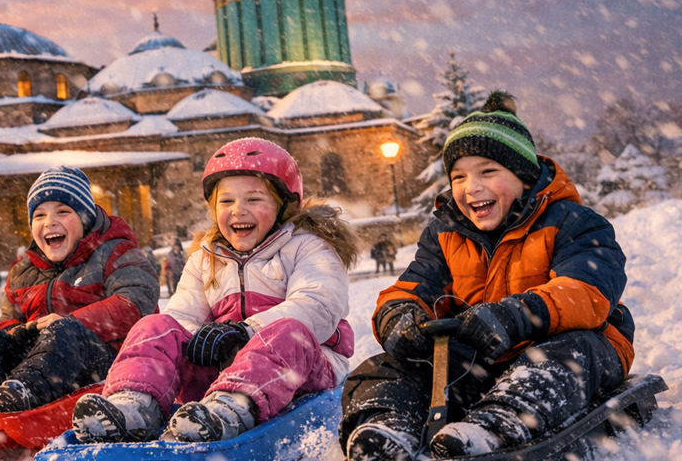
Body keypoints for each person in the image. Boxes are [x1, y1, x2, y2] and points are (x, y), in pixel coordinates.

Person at [340, 92, 635, 460]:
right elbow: (415, 286)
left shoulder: (573, 223)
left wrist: (517, 315)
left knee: (567, 352)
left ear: (524, 178)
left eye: (488, 172)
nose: (471, 187)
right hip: (482, 360)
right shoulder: (445, 234)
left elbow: (587, 292)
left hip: (576, 348)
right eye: (459, 176)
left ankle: (499, 421)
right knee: (388, 366)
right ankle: (389, 425)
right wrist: (398, 316)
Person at [72, 138, 357, 444]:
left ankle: (230, 411)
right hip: (223, 372)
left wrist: (245, 332)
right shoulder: (204, 259)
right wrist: (204, 340)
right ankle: (134, 406)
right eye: (227, 201)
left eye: (254, 199)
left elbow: (316, 306)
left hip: (305, 369)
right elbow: (182, 318)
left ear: (284, 205)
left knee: (288, 331)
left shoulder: (308, 247)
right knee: (155, 326)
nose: (239, 211)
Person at [0, 165, 158, 419]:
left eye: (63, 211)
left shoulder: (116, 252)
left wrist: (74, 322)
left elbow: (135, 302)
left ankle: (25, 392)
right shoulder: (23, 271)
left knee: (65, 332)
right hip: (37, 362)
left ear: (85, 218)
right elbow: (8, 322)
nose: (50, 222)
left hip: (100, 361)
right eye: (39, 215)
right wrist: (23, 333)